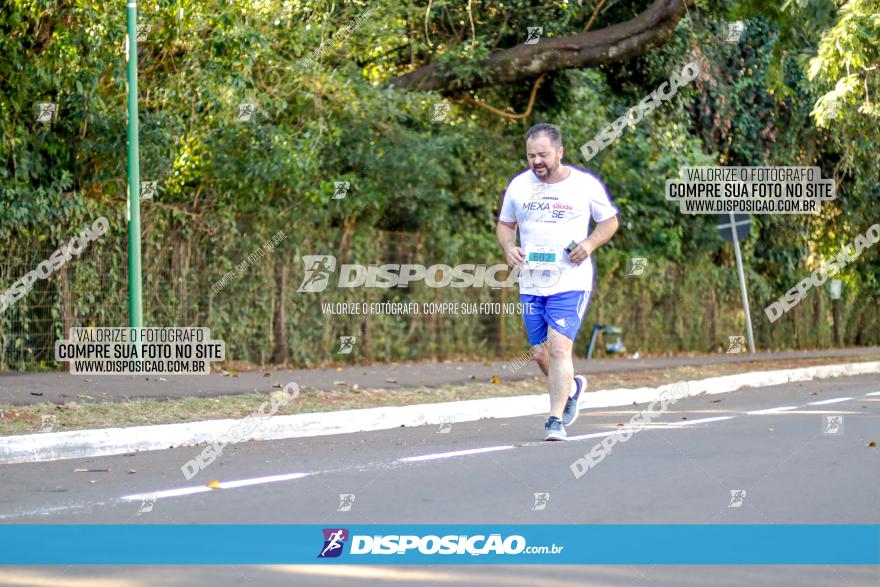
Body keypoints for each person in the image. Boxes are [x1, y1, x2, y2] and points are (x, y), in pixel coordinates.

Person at [496, 123, 619, 440]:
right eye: (531, 155)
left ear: (560, 152)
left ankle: (554, 420)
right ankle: (572, 388)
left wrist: (589, 245)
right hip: (532, 282)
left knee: (560, 347)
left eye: (543, 155)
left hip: (571, 280)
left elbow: (610, 222)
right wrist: (509, 247)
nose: (537, 161)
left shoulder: (584, 185)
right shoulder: (519, 186)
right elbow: (505, 225)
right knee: (540, 353)